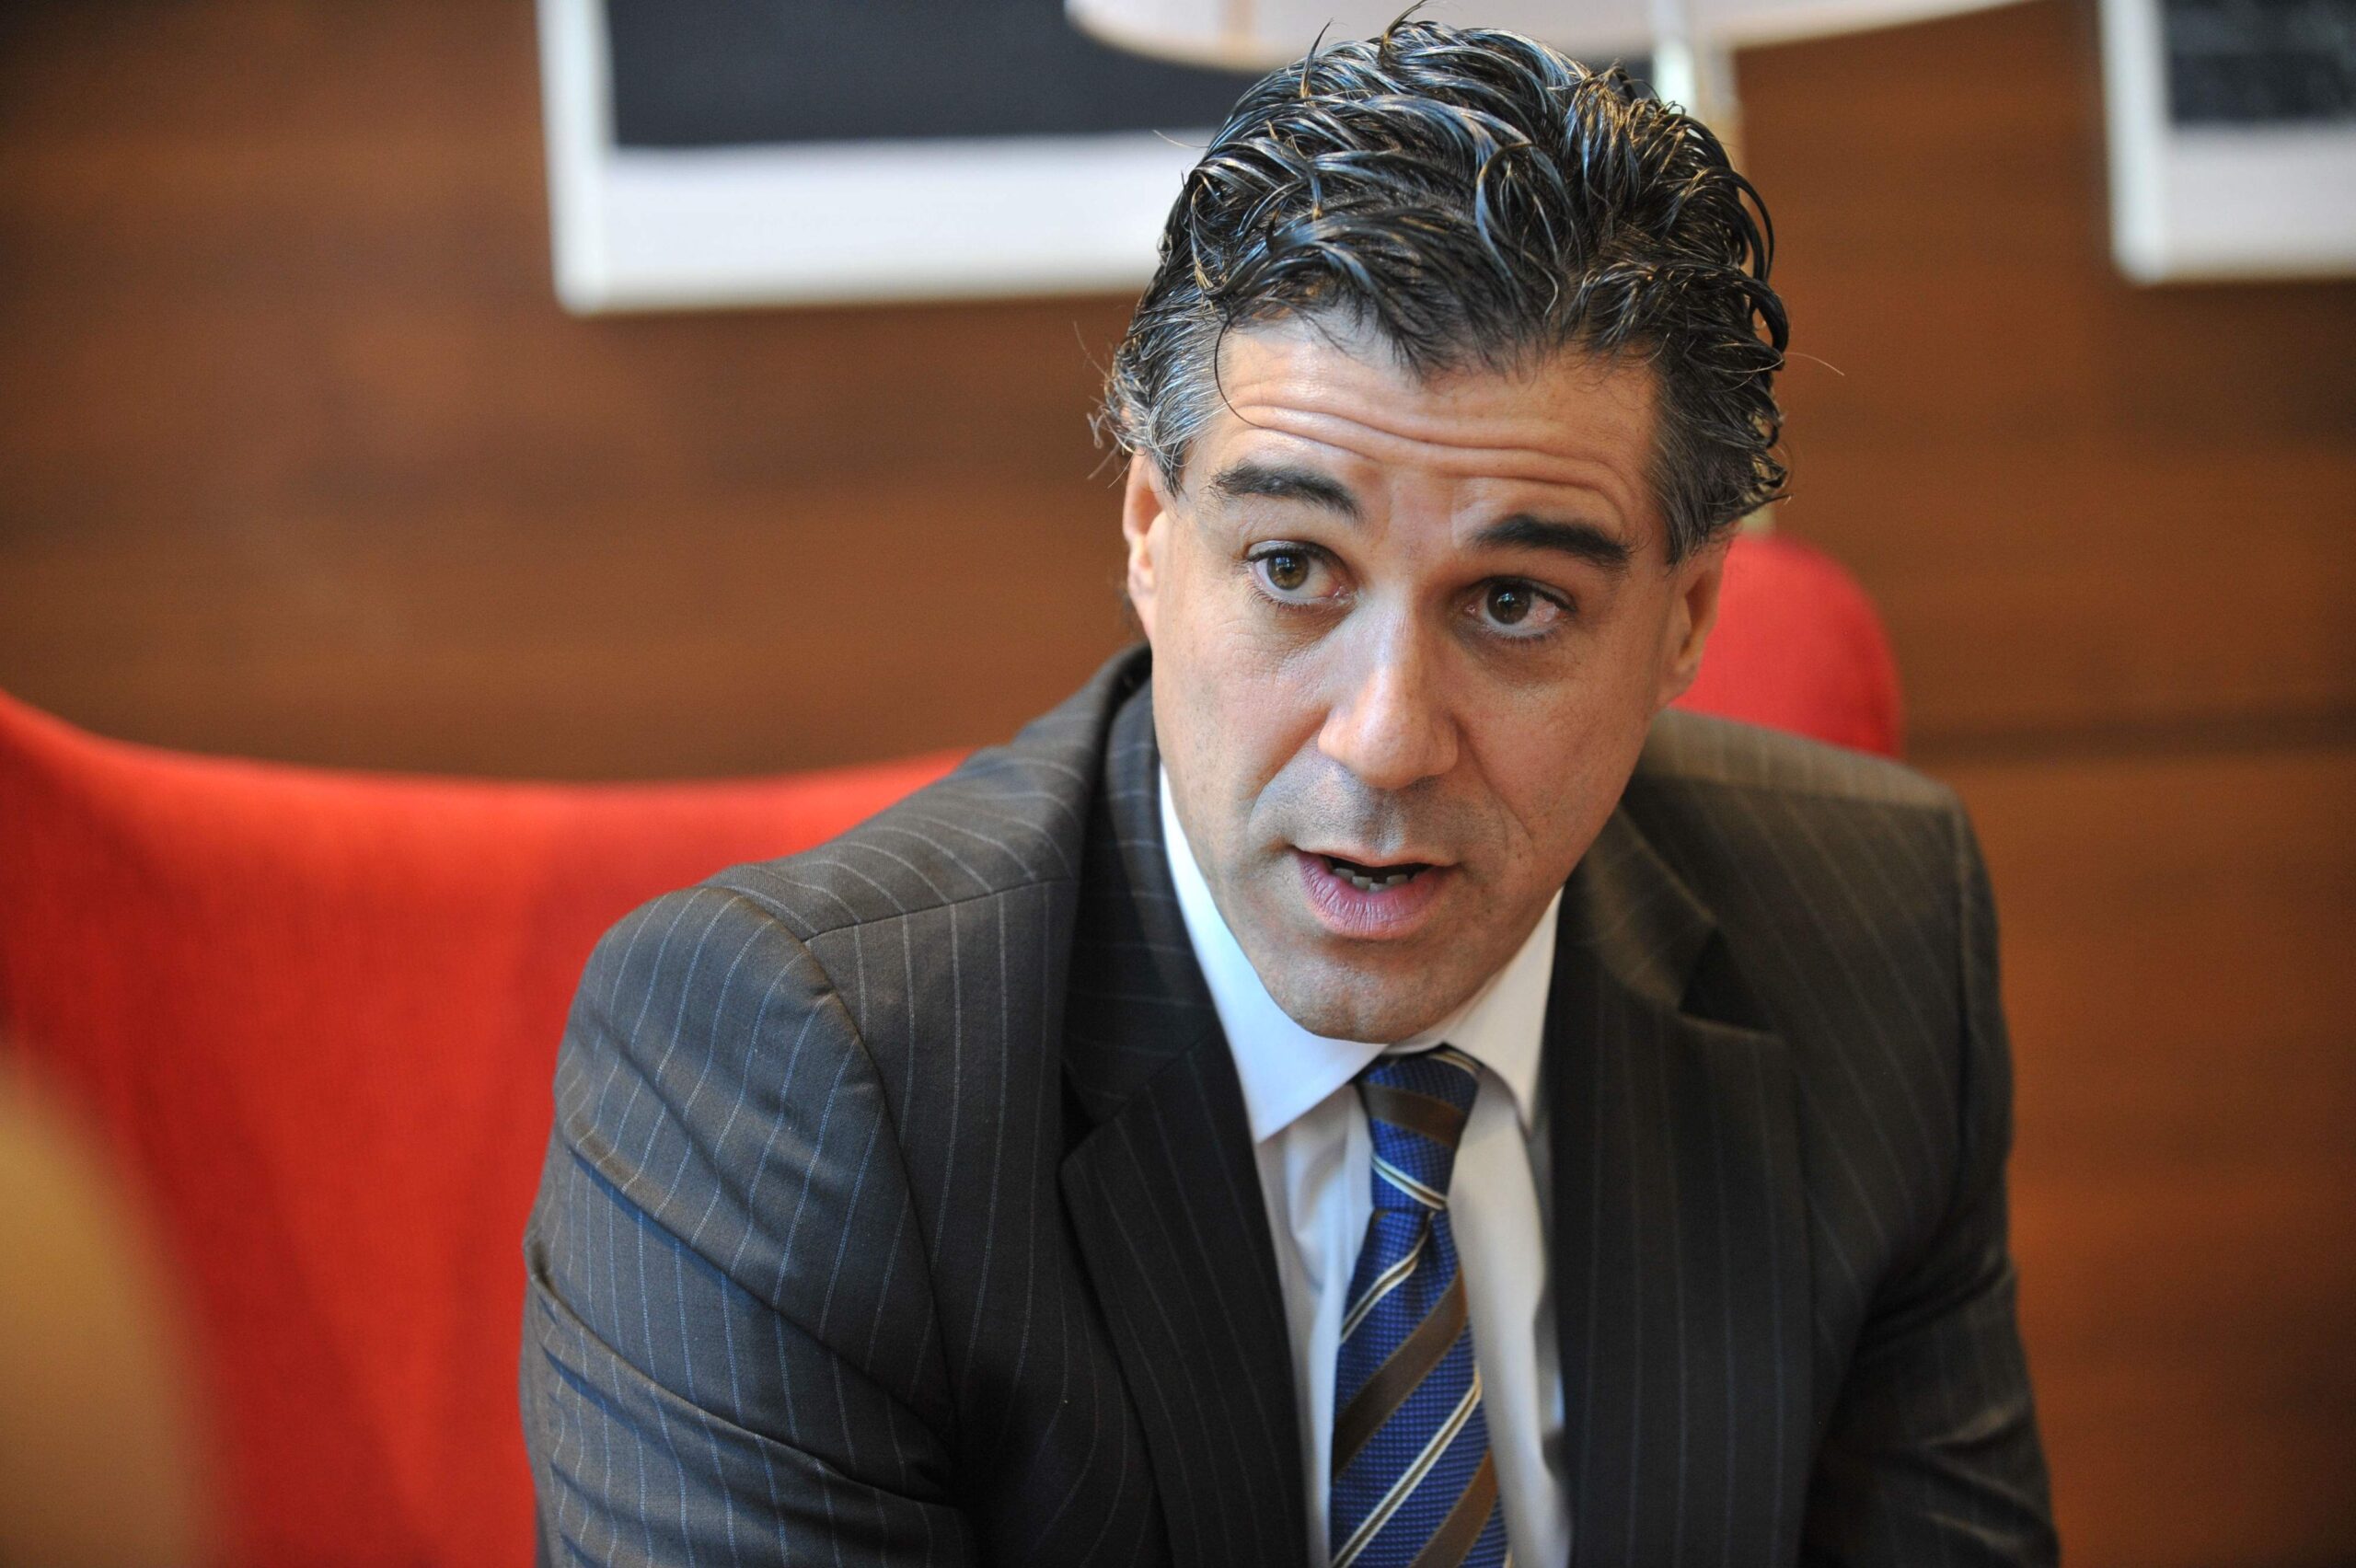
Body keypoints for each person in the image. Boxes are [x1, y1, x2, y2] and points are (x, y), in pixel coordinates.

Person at [520, 21, 2057, 1567]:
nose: (1384, 742)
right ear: (1150, 531)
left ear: (1687, 621)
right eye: (1293, 567)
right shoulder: (795, 1077)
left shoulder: (1870, 939)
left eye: (1513, 602)